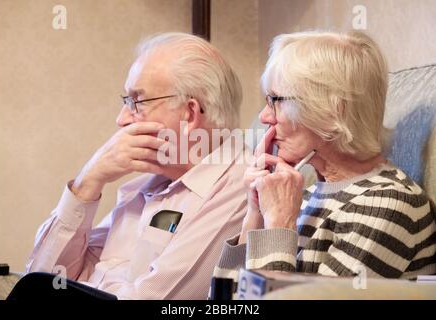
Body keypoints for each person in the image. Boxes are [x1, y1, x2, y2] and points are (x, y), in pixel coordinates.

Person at [26, 32, 251, 299]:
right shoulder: (151, 182)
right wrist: (88, 180)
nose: (121, 119)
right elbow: (45, 280)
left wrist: (90, 281)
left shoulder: (239, 184)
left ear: (189, 114)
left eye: (137, 101)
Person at [213, 31, 436, 286]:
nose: (264, 116)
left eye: (276, 100)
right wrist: (255, 215)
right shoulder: (307, 195)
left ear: (332, 112)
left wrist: (278, 223)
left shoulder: (387, 204)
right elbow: (221, 302)